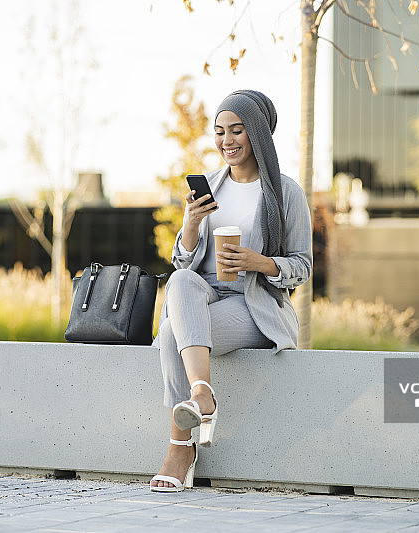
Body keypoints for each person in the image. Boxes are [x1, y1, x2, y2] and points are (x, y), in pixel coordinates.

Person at [149, 90, 312, 492]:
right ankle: (202, 394)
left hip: (254, 306)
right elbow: (183, 263)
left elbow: (303, 266)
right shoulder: (212, 187)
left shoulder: (286, 193)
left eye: (237, 130)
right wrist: (190, 223)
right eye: (220, 132)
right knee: (181, 281)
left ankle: (179, 449)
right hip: (204, 297)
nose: (227, 140)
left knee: (172, 333)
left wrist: (259, 262)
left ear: (256, 133)